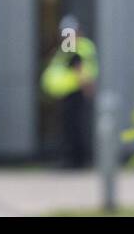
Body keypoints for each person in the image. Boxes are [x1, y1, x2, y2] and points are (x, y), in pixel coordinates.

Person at [40, 15, 97, 168]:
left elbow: (78, 69)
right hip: (72, 92)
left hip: (74, 93)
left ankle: (73, 161)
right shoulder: (81, 45)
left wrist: (87, 89)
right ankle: (77, 160)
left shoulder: (72, 45)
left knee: (72, 128)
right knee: (75, 127)